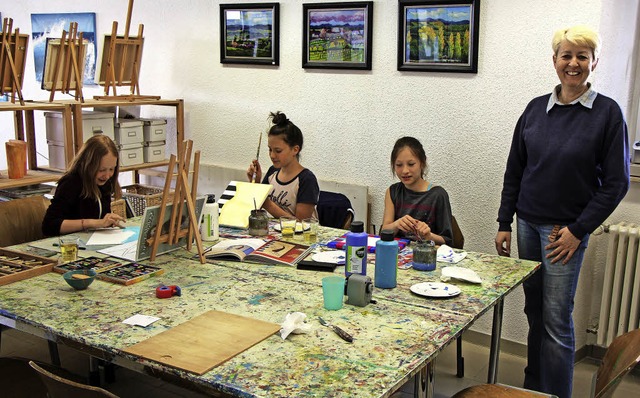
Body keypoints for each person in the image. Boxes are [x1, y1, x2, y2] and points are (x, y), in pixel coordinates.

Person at [495, 25, 630, 398]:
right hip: (526, 224)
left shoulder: (607, 114)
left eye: (582, 56)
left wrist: (578, 229)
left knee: (556, 319)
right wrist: (505, 221)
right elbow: (515, 169)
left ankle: (557, 394)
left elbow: (617, 184)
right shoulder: (536, 109)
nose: (573, 63)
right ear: (554, 60)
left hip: (563, 233)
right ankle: (534, 388)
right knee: (534, 312)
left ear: (594, 62)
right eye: (566, 55)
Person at [42, 135, 126, 236]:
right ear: (88, 164)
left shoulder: (105, 182)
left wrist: (108, 221)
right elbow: (49, 226)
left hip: (92, 240)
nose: (107, 175)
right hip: (69, 245)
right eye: (102, 170)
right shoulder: (70, 183)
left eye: (111, 169)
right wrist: (91, 223)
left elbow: (101, 219)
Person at [246, 111, 319, 220]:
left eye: (278, 151)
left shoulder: (306, 179)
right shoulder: (272, 172)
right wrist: (256, 184)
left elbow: (301, 223)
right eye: (270, 149)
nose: (272, 155)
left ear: (295, 149)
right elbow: (257, 208)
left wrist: (266, 202)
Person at [381, 136, 453, 245]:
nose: (405, 171)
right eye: (399, 165)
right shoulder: (392, 192)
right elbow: (384, 232)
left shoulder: (438, 195)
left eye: (411, 164)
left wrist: (429, 236)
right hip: (398, 254)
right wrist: (397, 224)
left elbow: (448, 241)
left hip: (427, 256)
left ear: (422, 163)